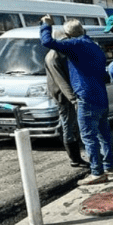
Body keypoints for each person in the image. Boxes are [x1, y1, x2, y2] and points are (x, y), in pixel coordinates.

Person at [39, 16, 113, 185]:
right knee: (104, 135)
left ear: (68, 35)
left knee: (89, 137)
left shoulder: (75, 45)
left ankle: (97, 172)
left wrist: (46, 25)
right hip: (101, 96)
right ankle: (111, 166)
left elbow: (47, 42)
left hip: (86, 97)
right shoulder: (95, 47)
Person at [43, 31, 88, 169]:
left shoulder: (60, 53)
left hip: (68, 94)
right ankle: (75, 158)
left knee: (73, 125)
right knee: (68, 126)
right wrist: (74, 100)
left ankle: (77, 156)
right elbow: (61, 81)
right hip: (63, 96)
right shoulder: (53, 56)